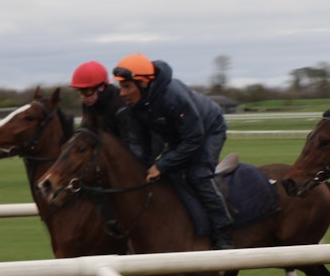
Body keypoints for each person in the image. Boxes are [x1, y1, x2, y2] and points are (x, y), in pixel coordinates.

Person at [112, 53, 235, 250]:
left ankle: (224, 233)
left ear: (143, 83)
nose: (122, 94)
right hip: (181, 134)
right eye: (121, 87)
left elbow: (194, 138)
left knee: (197, 175)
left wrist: (161, 165)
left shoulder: (173, 97)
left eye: (127, 87)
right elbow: (139, 147)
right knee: (161, 177)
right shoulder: (135, 106)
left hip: (208, 129)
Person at [71, 60, 134, 142]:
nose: (83, 97)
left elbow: (128, 143)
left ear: (101, 87)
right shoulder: (89, 103)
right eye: (80, 91)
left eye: (86, 91)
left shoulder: (121, 104)